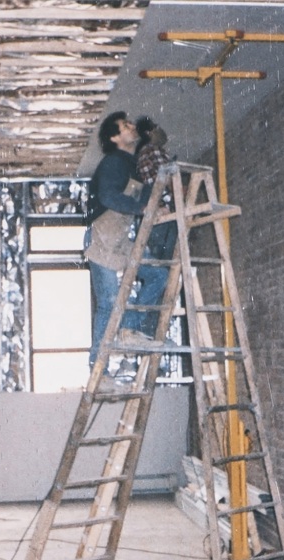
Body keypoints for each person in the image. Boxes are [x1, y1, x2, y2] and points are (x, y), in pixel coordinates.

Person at [85, 111, 168, 372]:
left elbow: (138, 204)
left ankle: (129, 328)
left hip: (120, 239)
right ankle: (98, 369)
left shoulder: (132, 165)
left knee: (158, 275)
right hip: (102, 237)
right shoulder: (113, 162)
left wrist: (155, 208)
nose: (132, 127)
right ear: (114, 137)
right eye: (126, 125)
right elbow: (109, 196)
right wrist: (142, 209)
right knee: (108, 304)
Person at [135, 116, 178, 261]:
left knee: (158, 257)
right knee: (167, 257)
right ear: (149, 133)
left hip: (154, 207)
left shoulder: (143, 152)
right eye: (156, 127)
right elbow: (167, 179)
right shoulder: (153, 150)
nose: (160, 130)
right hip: (162, 207)